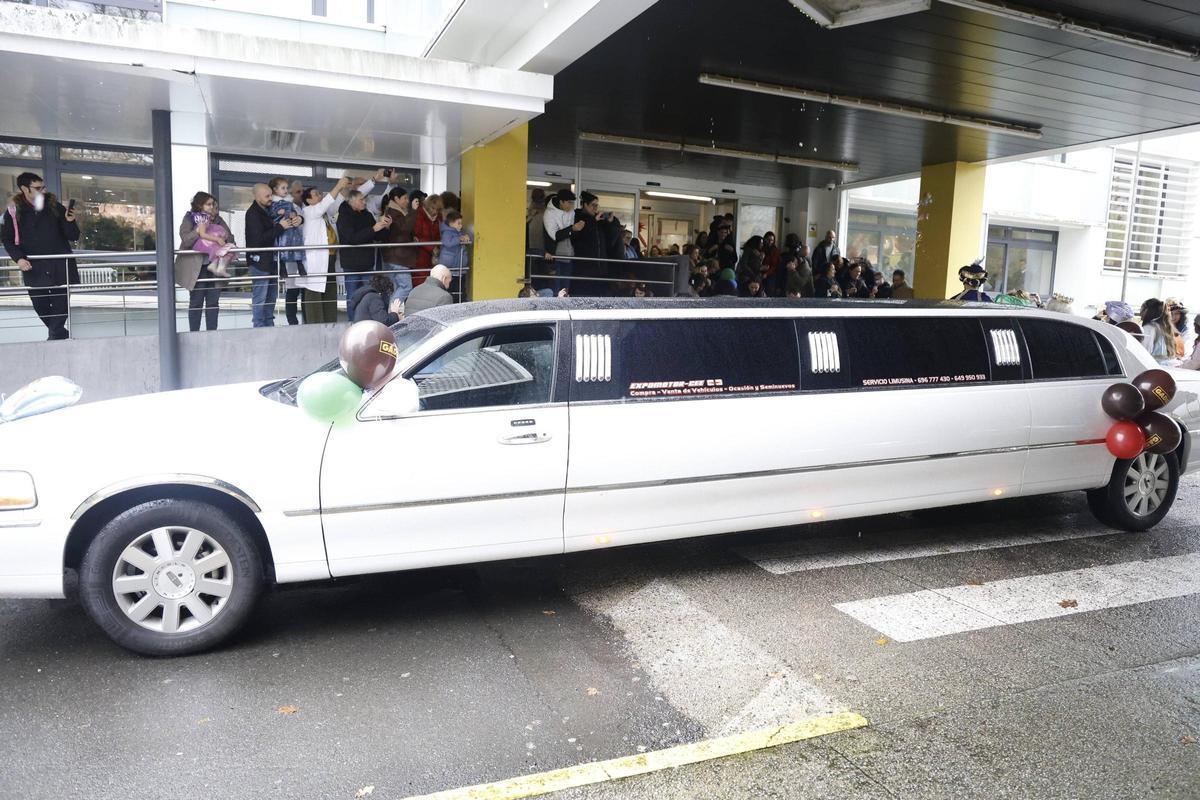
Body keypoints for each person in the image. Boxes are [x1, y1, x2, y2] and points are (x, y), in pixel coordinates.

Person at [2, 172, 80, 340]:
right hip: (33, 266)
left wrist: (70, 221)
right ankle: (59, 336)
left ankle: (55, 338)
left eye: (43, 187)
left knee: (60, 307)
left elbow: (73, 236)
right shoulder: (14, 212)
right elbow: (7, 239)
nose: (43, 191)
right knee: (40, 305)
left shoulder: (54, 206)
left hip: (60, 264)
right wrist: (19, 258)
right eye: (38, 188)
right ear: (25, 189)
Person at [295, 178, 352, 324]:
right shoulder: (308, 211)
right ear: (308, 200)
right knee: (314, 294)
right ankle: (316, 329)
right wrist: (338, 185)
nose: (320, 196)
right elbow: (327, 202)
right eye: (316, 194)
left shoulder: (325, 213)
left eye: (320, 193)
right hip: (316, 262)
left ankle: (330, 325)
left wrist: (345, 187)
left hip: (330, 260)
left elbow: (336, 200)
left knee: (329, 293)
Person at [176, 192, 234, 332]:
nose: (212, 207)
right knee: (196, 302)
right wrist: (199, 229)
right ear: (199, 205)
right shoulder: (190, 218)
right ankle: (194, 334)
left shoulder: (218, 219)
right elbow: (186, 240)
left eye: (213, 204)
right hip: (197, 268)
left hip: (215, 266)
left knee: (213, 302)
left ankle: (211, 333)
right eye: (208, 204)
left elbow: (230, 238)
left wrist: (219, 234)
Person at [244, 183, 300, 327]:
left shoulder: (269, 209)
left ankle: (269, 325)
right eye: (267, 196)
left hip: (272, 261)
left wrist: (297, 217)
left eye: (271, 195)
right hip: (260, 262)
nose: (271, 198)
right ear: (257, 197)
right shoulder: (253, 214)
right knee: (261, 298)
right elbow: (258, 240)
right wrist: (280, 227)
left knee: (271, 298)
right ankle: (259, 327)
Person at [337, 187, 392, 305]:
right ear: (351, 201)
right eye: (361, 200)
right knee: (353, 297)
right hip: (351, 265)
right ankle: (353, 317)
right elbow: (352, 238)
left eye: (364, 199)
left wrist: (385, 227)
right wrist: (373, 229)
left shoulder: (367, 215)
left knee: (369, 296)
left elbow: (377, 236)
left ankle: (366, 316)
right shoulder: (343, 216)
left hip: (367, 263)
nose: (364, 202)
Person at [381, 187, 418, 306]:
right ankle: (393, 310)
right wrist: (413, 211)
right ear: (396, 199)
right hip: (398, 256)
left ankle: (390, 313)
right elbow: (405, 229)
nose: (407, 201)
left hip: (394, 256)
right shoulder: (394, 213)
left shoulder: (393, 211)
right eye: (405, 198)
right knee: (406, 287)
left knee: (394, 288)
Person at [544, 189, 583, 293]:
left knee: (565, 288)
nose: (571, 206)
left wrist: (576, 230)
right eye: (569, 203)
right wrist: (572, 229)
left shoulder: (571, 212)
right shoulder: (549, 213)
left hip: (568, 255)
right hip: (554, 256)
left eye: (572, 203)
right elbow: (554, 236)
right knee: (555, 288)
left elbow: (572, 234)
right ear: (561, 201)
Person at [440, 209, 471, 297]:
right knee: (453, 290)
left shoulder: (458, 233)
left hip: (458, 268)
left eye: (461, 223)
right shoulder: (447, 233)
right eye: (458, 223)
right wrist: (459, 239)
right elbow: (448, 243)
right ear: (451, 223)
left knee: (460, 290)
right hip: (451, 268)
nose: (461, 225)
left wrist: (465, 237)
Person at [413, 191, 443, 282]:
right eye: (433, 208)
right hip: (420, 254)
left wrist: (437, 248)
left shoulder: (439, 217)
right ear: (427, 205)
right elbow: (417, 235)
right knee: (420, 280)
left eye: (437, 210)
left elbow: (440, 234)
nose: (434, 212)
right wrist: (432, 248)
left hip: (435, 254)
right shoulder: (419, 214)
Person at [1140, 298, 1177, 365]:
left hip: (1153, 366)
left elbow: (1143, 352)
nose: (1140, 313)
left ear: (1147, 310)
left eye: (1141, 309)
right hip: (1166, 367)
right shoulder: (1165, 327)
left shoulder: (1149, 328)